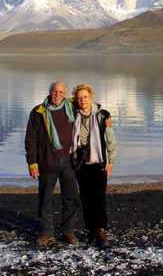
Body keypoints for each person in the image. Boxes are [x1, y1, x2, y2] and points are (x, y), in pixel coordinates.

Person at [25, 80, 79, 247]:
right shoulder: (38, 111)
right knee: (45, 199)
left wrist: (106, 117)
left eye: (61, 92)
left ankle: (68, 231)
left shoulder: (72, 107)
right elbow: (30, 139)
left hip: (69, 161)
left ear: (65, 94)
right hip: (46, 162)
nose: (58, 95)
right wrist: (32, 163)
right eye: (55, 92)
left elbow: (91, 109)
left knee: (70, 198)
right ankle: (47, 233)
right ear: (50, 92)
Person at [71, 84, 117, 248]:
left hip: (99, 163)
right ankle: (90, 230)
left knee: (99, 198)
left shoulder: (102, 115)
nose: (82, 100)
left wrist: (110, 161)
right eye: (79, 97)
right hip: (81, 164)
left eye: (85, 97)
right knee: (85, 198)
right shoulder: (73, 114)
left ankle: (101, 230)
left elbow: (110, 140)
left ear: (91, 97)